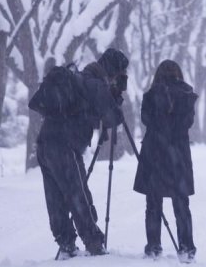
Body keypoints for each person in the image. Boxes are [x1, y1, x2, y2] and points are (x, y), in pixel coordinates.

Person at [33, 48, 129, 260]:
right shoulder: (95, 85)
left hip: (45, 144)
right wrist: (115, 97)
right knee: (77, 194)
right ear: (114, 71)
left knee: (56, 198)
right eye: (118, 74)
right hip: (65, 147)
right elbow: (113, 118)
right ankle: (93, 243)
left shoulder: (79, 79)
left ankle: (66, 243)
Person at [133, 60, 198, 263]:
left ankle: (153, 247)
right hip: (178, 155)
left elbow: (146, 120)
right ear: (178, 73)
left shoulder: (151, 96)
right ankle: (186, 249)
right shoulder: (187, 95)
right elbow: (187, 123)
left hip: (155, 155)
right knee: (181, 204)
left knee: (153, 203)